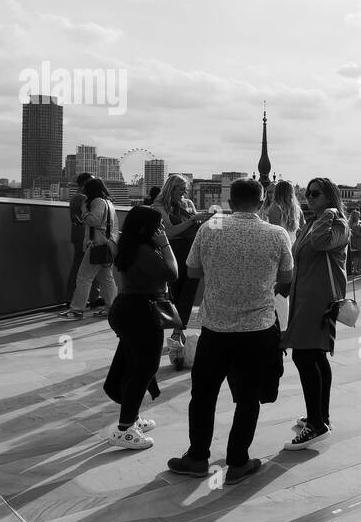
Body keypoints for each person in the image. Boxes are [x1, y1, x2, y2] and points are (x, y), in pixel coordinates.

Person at [166, 178, 293, 484]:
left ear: (230, 202)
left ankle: (198, 457)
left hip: (216, 328)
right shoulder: (277, 234)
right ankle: (238, 462)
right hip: (257, 329)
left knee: (203, 395)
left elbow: (193, 271)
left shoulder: (211, 228)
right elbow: (287, 278)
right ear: (262, 203)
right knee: (248, 397)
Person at [102, 206, 178, 450]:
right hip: (139, 312)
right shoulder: (144, 251)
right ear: (147, 228)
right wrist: (166, 245)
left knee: (133, 363)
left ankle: (131, 418)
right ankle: (125, 429)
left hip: (128, 309)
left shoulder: (130, 246)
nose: (162, 229)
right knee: (145, 368)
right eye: (158, 225)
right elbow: (172, 273)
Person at [282, 178, 350, 449]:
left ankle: (316, 425)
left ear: (330, 196)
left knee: (304, 354)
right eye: (307, 194)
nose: (309, 198)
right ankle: (320, 416)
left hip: (320, 299)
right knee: (315, 356)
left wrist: (330, 213)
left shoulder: (337, 224)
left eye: (315, 194)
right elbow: (298, 255)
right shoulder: (313, 221)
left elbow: (321, 244)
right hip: (305, 296)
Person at [152, 174, 209, 368]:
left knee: (189, 292)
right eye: (181, 189)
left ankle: (178, 332)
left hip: (192, 251)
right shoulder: (159, 207)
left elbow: (196, 227)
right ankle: (178, 332)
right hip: (174, 252)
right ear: (171, 188)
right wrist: (193, 219)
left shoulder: (188, 203)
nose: (185, 193)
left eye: (186, 189)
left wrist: (201, 220)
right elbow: (168, 232)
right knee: (176, 294)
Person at [62, 178, 118, 318]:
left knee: (83, 278)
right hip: (107, 244)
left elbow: (94, 220)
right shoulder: (108, 203)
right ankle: (112, 308)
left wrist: (84, 212)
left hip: (96, 244)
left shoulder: (97, 202)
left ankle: (76, 309)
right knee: (106, 278)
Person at [65, 173, 97, 306]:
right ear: (86, 183)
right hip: (83, 236)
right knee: (82, 268)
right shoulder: (82, 198)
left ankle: (74, 297)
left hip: (80, 236)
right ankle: (78, 298)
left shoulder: (77, 197)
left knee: (81, 267)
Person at [347, 205, 361, 275]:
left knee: (355, 257)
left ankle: (355, 270)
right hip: (359, 242)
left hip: (353, 242)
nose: (359, 217)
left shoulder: (349, 224)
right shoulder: (358, 224)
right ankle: (359, 270)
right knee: (360, 256)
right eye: (358, 215)